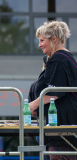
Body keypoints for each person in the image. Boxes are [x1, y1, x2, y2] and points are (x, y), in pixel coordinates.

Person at [29, 20, 77, 159]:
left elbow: (53, 92)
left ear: (54, 39)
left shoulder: (59, 59)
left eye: (42, 40)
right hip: (61, 125)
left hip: (62, 127)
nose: (39, 45)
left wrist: (32, 104)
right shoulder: (62, 58)